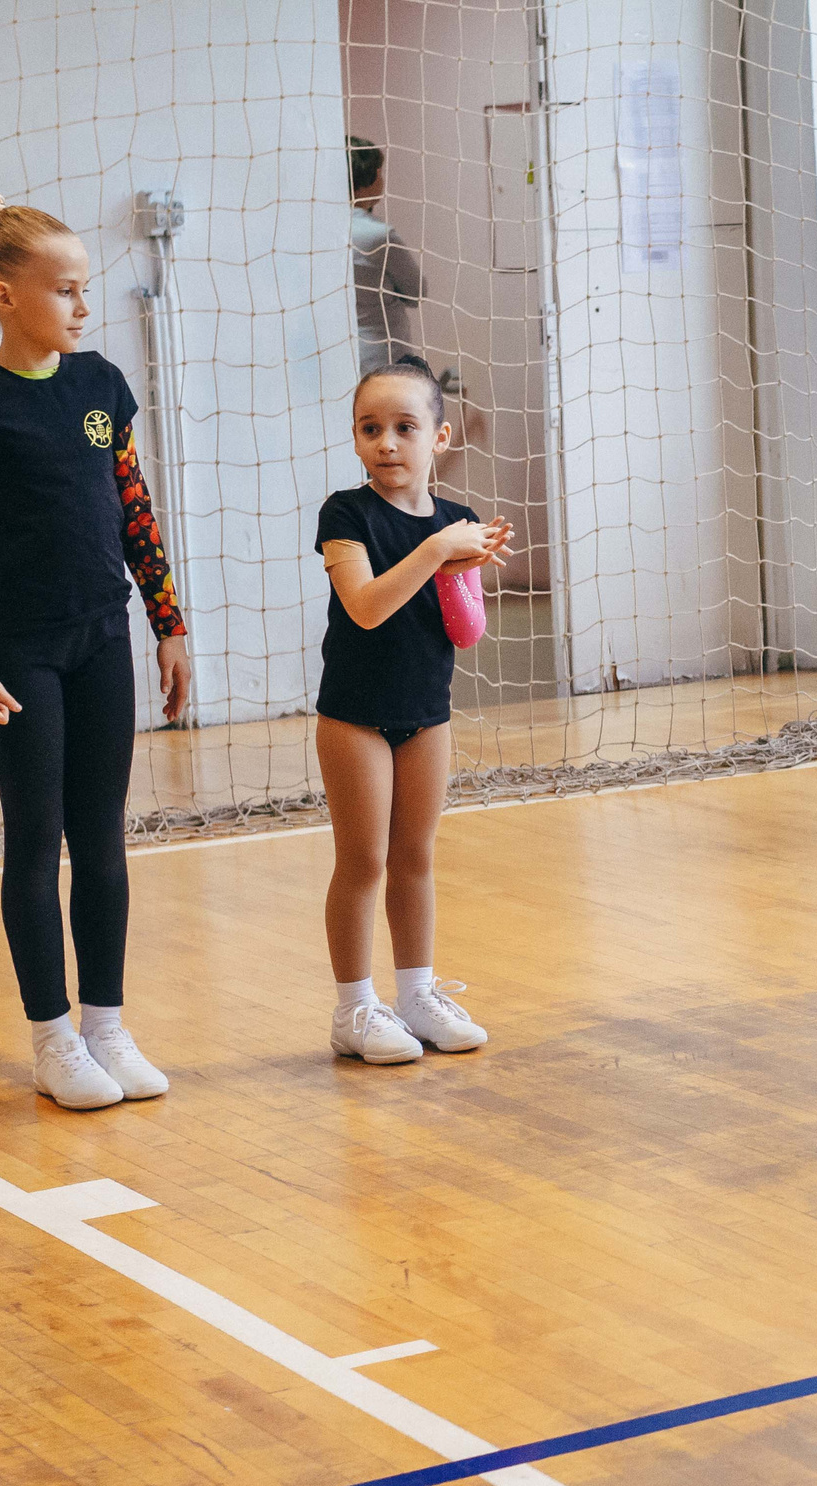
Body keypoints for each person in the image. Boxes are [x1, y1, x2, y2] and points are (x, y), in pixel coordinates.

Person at [0, 199, 192, 1110]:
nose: (83, 306)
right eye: (65, 290)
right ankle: (54, 1037)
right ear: (6, 295)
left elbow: (133, 503)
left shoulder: (101, 384)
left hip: (99, 636)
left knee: (103, 837)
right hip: (18, 654)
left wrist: (168, 621)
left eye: (85, 289)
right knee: (35, 842)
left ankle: (108, 1026)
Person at [314, 356, 507, 1065]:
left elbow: (465, 633)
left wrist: (465, 572)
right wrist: (436, 553)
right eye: (371, 428)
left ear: (441, 437)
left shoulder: (457, 521)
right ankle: (354, 1007)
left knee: (415, 857)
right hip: (355, 717)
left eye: (404, 427)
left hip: (428, 712)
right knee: (363, 860)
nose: (387, 442)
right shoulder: (346, 513)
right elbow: (364, 607)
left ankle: (418, 993)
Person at [348, 136, 426, 375]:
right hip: (382, 354)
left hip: (339, 353)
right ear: (369, 177)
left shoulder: (318, 231)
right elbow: (417, 291)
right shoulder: (379, 236)